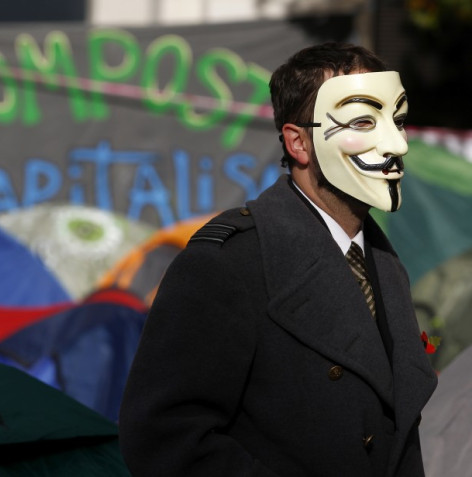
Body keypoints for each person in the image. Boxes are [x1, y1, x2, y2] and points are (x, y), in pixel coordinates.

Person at [118, 42, 438, 477]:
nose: (396, 143)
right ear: (298, 142)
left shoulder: (383, 263)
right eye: (364, 121)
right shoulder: (230, 263)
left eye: (397, 121)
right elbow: (167, 437)